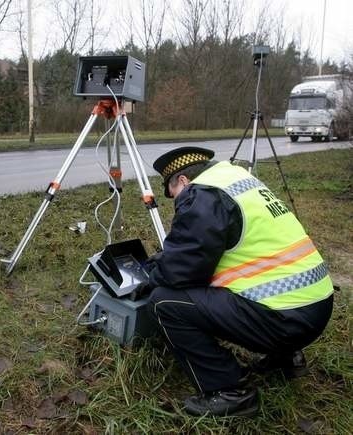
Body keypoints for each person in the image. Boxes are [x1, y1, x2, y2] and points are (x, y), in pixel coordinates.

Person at [143, 146, 334, 417]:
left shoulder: (202, 193)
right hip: (317, 306)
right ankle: (286, 356)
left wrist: (151, 274)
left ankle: (230, 391)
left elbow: (183, 271)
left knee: (163, 301)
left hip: (284, 320)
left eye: (173, 194)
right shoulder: (237, 179)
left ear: (183, 181)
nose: (175, 202)